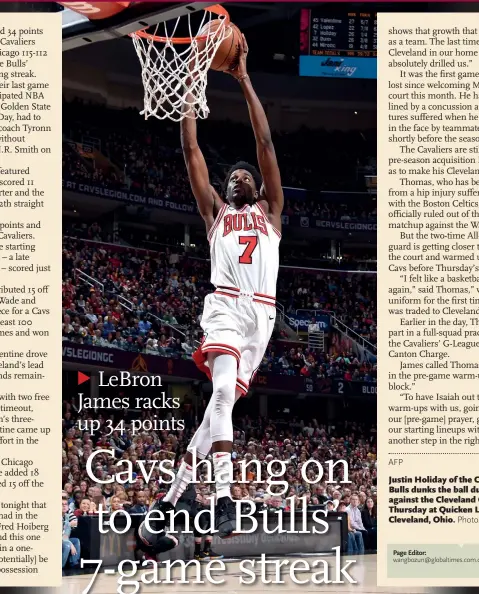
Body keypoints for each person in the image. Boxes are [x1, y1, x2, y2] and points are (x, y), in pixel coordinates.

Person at [148, 34, 283, 549]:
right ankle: (224, 499)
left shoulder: (271, 215)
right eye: (233, 176)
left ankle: (164, 509)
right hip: (225, 306)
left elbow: (266, 146)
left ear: (259, 188)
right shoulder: (215, 217)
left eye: (246, 175)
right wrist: (189, 87)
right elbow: (190, 150)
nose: (239, 176)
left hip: (262, 320)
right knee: (222, 392)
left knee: (212, 419)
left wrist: (244, 78)